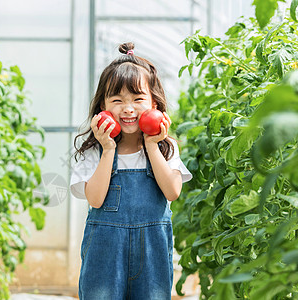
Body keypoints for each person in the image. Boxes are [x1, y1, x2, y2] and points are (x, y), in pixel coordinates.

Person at [70, 42, 193, 299]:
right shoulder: (94, 148)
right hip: (105, 254)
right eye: (117, 100)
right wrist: (108, 150)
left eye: (138, 100)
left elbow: (172, 191)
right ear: (102, 106)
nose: (128, 109)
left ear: (154, 104)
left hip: (152, 253)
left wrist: (151, 144)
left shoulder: (165, 147)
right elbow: (95, 198)